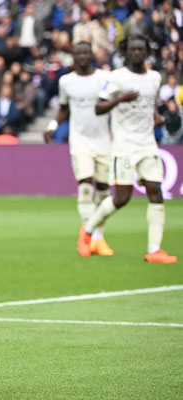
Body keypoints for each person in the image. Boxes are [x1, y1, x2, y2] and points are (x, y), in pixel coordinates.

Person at [77, 34, 177, 264]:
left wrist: (156, 117)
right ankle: (88, 230)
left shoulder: (154, 77)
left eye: (141, 49)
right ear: (126, 52)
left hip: (148, 143)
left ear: (146, 52)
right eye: (133, 49)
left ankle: (154, 250)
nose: (137, 53)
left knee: (156, 191)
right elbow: (99, 107)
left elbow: (149, 105)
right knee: (122, 198)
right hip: (123, 145)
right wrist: (120, 99)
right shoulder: (116, 78)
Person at [45, 42, 114, 256]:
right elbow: (64, 107)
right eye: (79, 53)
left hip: (103, 141)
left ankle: (98, 239)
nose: (83, 56)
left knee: (104, 191)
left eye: (86, 52)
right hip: (80, 141)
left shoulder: (104, 78)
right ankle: (88, 236)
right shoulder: (67, 81)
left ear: (92, 55)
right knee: (85, 186)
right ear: (74, 57)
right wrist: (52, 126)